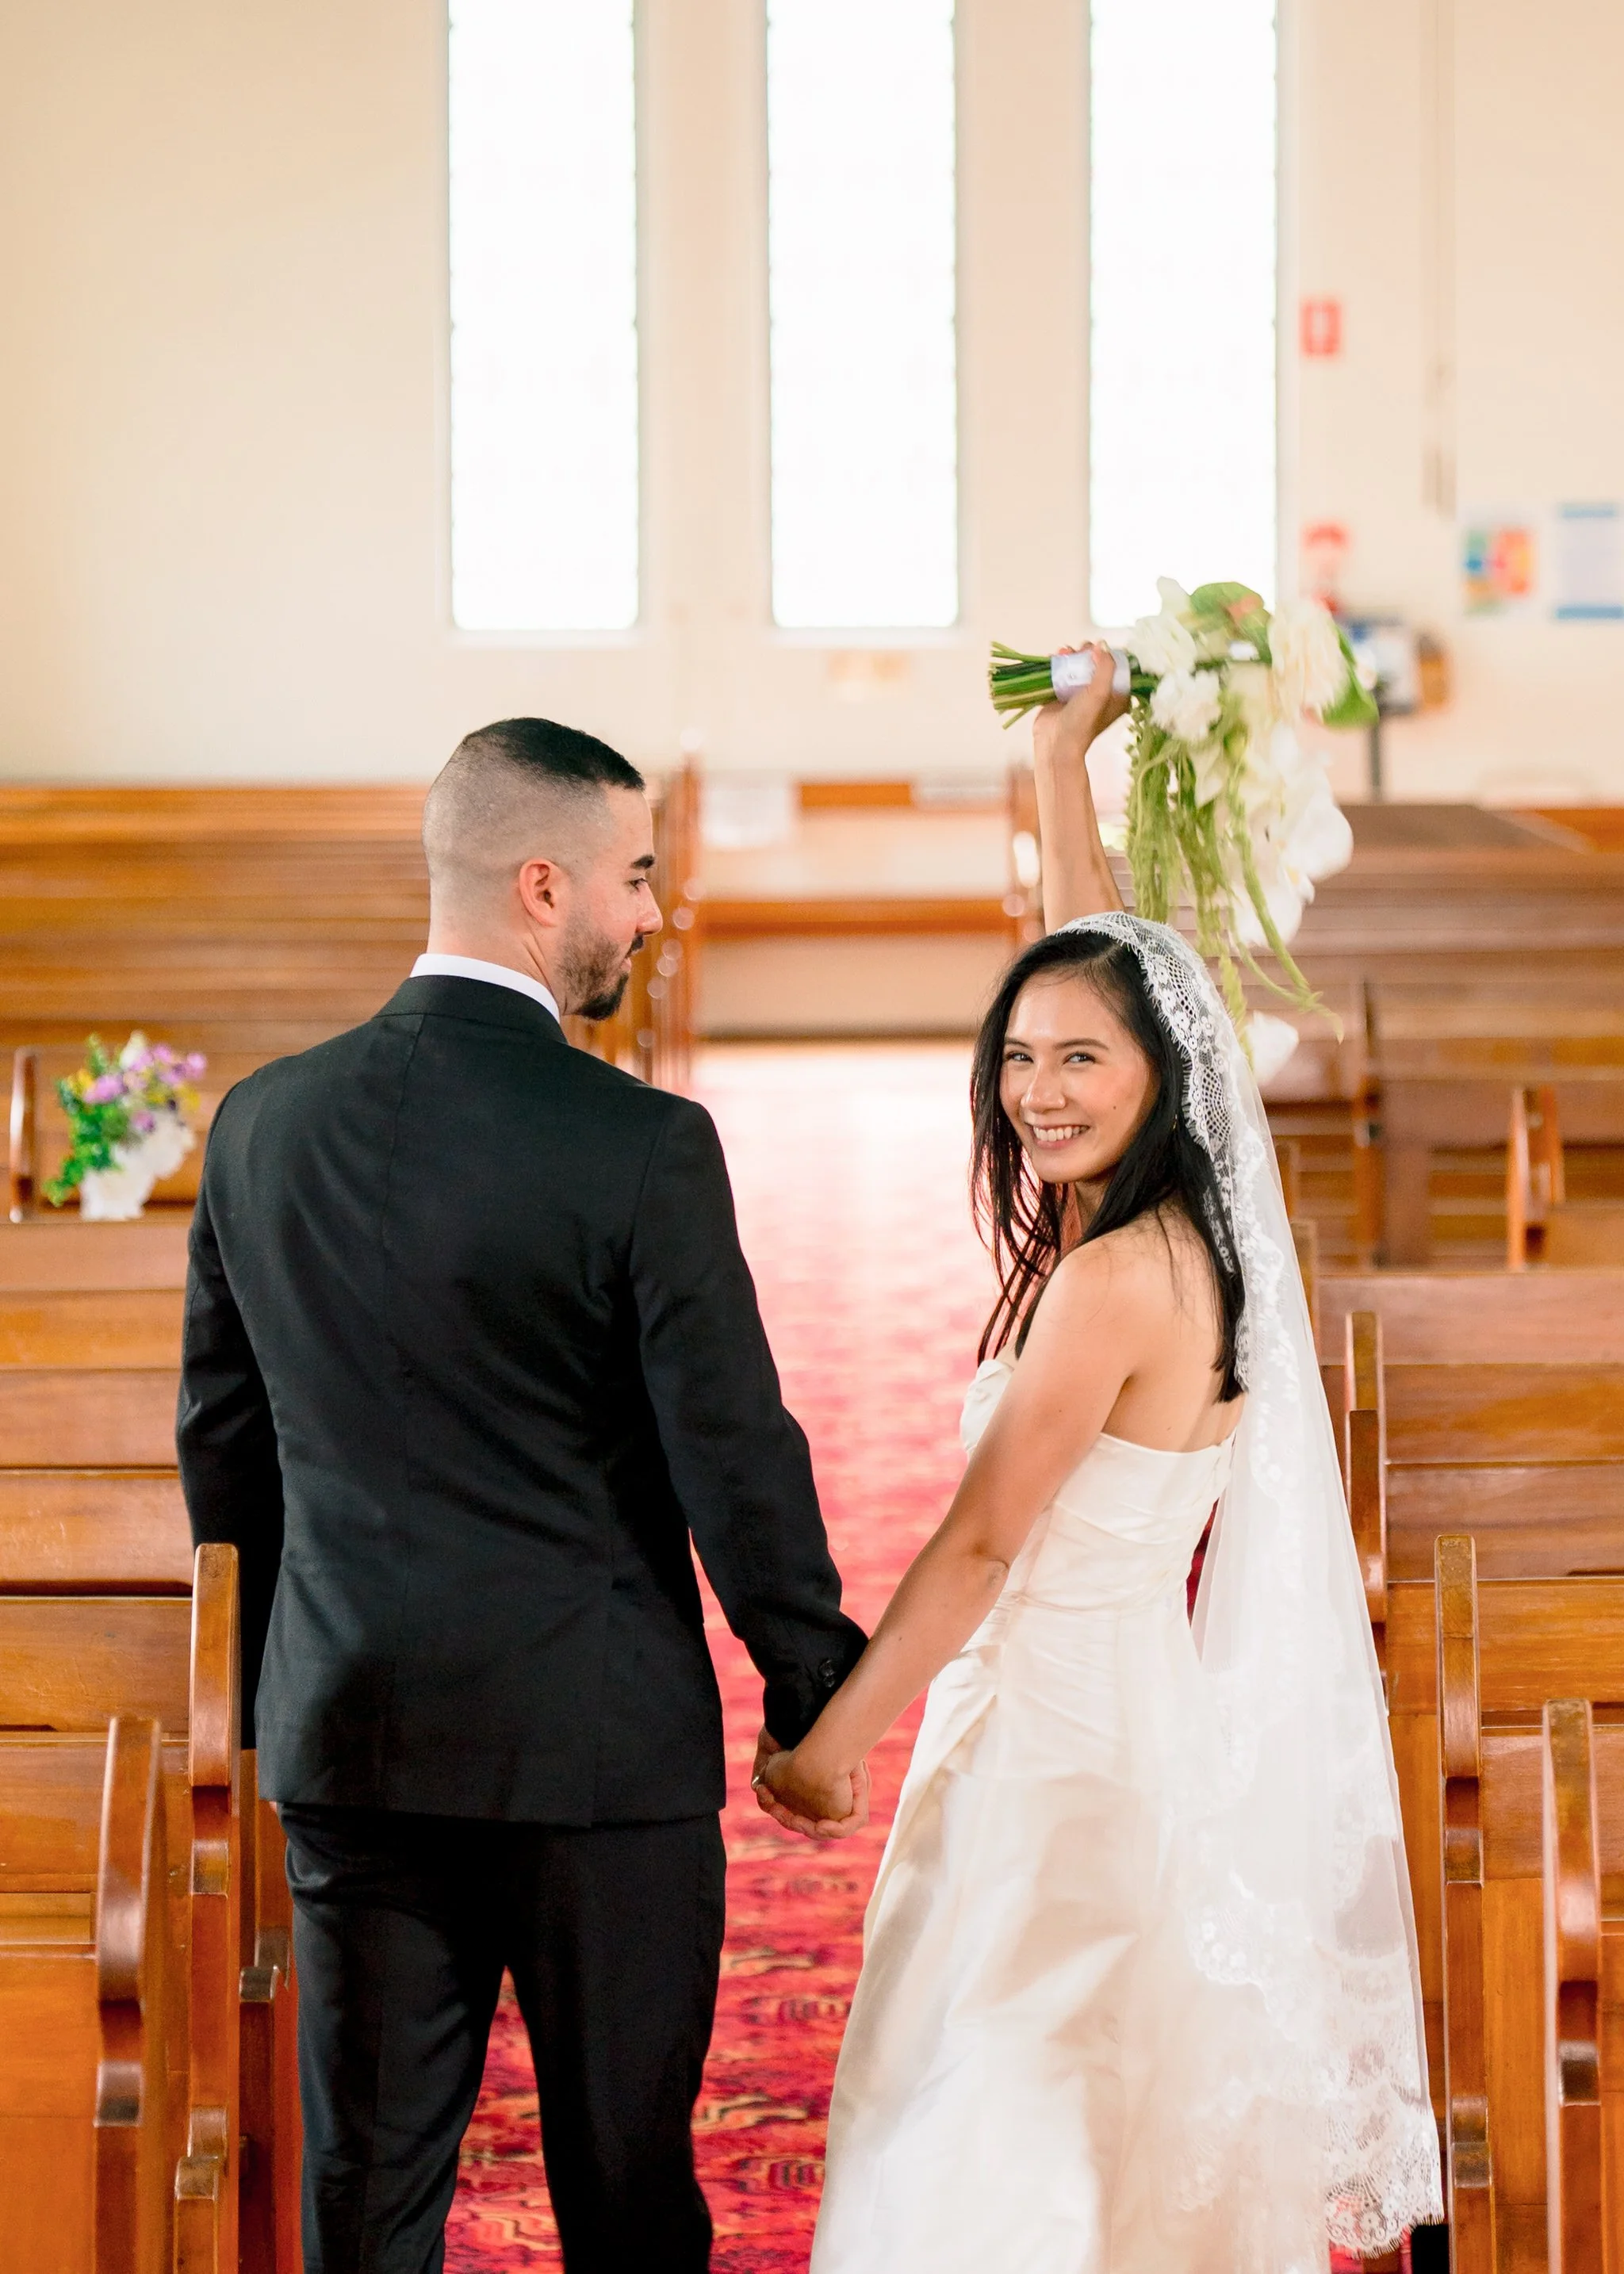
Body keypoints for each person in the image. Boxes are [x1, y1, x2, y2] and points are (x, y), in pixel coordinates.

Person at [760, 650, 1442, 2270]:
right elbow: (1092, 963)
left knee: (997, 2098)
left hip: (1052, 1755)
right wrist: (1065, 755)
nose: (1038, 1088)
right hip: (1132, 1716)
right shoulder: (1181, 1229)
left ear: (1158, 1077)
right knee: (1097, 2096)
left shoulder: (1107, 1283)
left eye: (1078, 1064)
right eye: (1019, 1058)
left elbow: (986, 1544)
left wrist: (831, 1747)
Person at [177, 717, 868, 2274]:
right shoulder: (640, 1143)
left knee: (370, 2200)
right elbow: (731, 1450)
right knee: (625, 2194)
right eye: (634, 877)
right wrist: (810, 1678)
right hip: (597, 1752)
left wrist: (270, 1695)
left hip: (350, 1738)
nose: (650, 915)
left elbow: (225, 1448)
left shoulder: (260, 1126)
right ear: (542, 885)